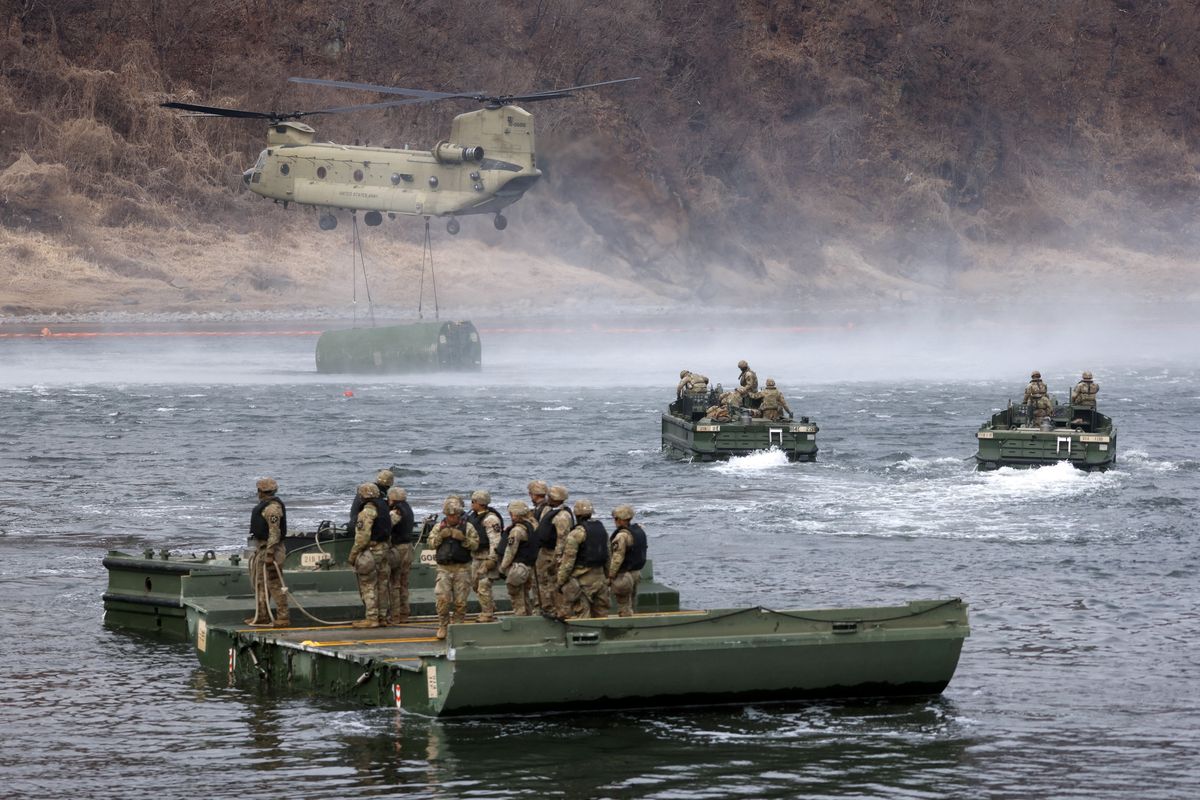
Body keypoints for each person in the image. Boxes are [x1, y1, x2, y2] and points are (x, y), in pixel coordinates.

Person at [426, 496, 480, 639]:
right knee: (442, 599)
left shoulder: (467, 527)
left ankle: (458, 625)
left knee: (460, 601)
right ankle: (443, 625)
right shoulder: (439, 527)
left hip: (462, 568)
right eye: (449, 515)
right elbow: (430, 544)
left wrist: (463, 539)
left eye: (454, 515)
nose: (452, 518)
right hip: (444, 568)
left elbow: (475, 545)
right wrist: (440, 537)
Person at [557, 499, 610, 619]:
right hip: (600, 580)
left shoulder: (576, 534)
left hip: (582, 582)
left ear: (576, 515)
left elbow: (568, 563)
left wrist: (560, 582)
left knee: (583, 617)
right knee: (602, 615)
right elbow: (608, 555)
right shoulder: (602, 530)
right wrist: (608, 576)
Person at [246, 477, 289, 627]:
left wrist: (270, 554)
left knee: (275, 583)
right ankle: (262, 615)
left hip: (272, 550)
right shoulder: (265, 506)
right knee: (260, 583)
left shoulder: (272, 508)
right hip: (263, 548)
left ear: (261, 491)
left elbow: (274, 533)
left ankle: (283, 617)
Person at [348, 482, 390, 628]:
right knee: (383, 584)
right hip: (384, 549)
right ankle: (382, 617)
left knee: (368, 584)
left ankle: (371, 618)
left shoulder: (367, 510)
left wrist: (353, 555)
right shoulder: (384, 507)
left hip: (372, 551)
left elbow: (362, 537)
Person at [465, 490, 504, 623]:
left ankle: (487, 614)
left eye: (473, 502)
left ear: (479, 503)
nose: (471, 504)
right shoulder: (474, 516)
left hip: (487, 556)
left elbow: (495, 541)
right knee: (475, 585)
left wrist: (492, 560)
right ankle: (490, 606)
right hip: (476, 556)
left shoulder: (491, 519)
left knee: (483, 586)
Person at [535, 485, 574, 614]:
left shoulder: (562, 516)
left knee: (554, 583)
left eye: (550, 496)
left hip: (552, 553)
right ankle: (546, 607)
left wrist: (557, 559)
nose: (548, 498)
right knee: (542, 581)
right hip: (544, 552)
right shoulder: (550, 510)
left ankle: (558, 609)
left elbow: (562, 539)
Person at [498, 500, 538, 616]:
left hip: (518, 568)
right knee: (525, 595)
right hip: (529, 566)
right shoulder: (533, 526)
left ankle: (520, 618)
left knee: (517, 596)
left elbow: (510, 551)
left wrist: (503, 567)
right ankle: (528, 616)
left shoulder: (517, 531)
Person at [608, 504, 648, 617]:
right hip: (636, 573)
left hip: (624, 575)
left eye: (615, 519)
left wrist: (610, 576)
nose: (614, 521)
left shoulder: (622, 536)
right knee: (632, 603)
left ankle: (626, 629)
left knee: (624, 607)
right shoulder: (638, 530)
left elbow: (617, 558)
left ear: (620, 520)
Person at [385, 487, 415, 625]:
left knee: (395, 583)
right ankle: (404, 613)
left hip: (398, 548)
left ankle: (395, 616)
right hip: (408, 547)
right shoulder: (407, 508)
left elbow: (387, 526)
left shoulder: (397, 511)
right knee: (404, 582)